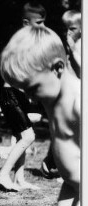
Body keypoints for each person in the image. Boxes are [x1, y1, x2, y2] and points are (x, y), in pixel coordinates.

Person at [0, 25, 80, 206]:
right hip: (73, 182)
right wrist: (52, 157)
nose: (30, 98)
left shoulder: (79, 99)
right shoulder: (54, 93)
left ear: (58, 68)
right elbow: (63, 134)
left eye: (32, 89)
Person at [0, 2, 46, 191]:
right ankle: (2, 174)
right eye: (38, 22)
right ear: (26, 23)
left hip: (20, 95)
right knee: (28, 136)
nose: (42, 27)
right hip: (11, 94)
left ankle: (19, 178)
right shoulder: (20, 42)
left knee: (20, 137)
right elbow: (4, 61)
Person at [41, 10, 81, 179]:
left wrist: (73, 49)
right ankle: (52, 163)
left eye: (72, 28)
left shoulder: (79, 46)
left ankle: (54, 163)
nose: (68, 33)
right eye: (66, 29)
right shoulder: (66, 45)